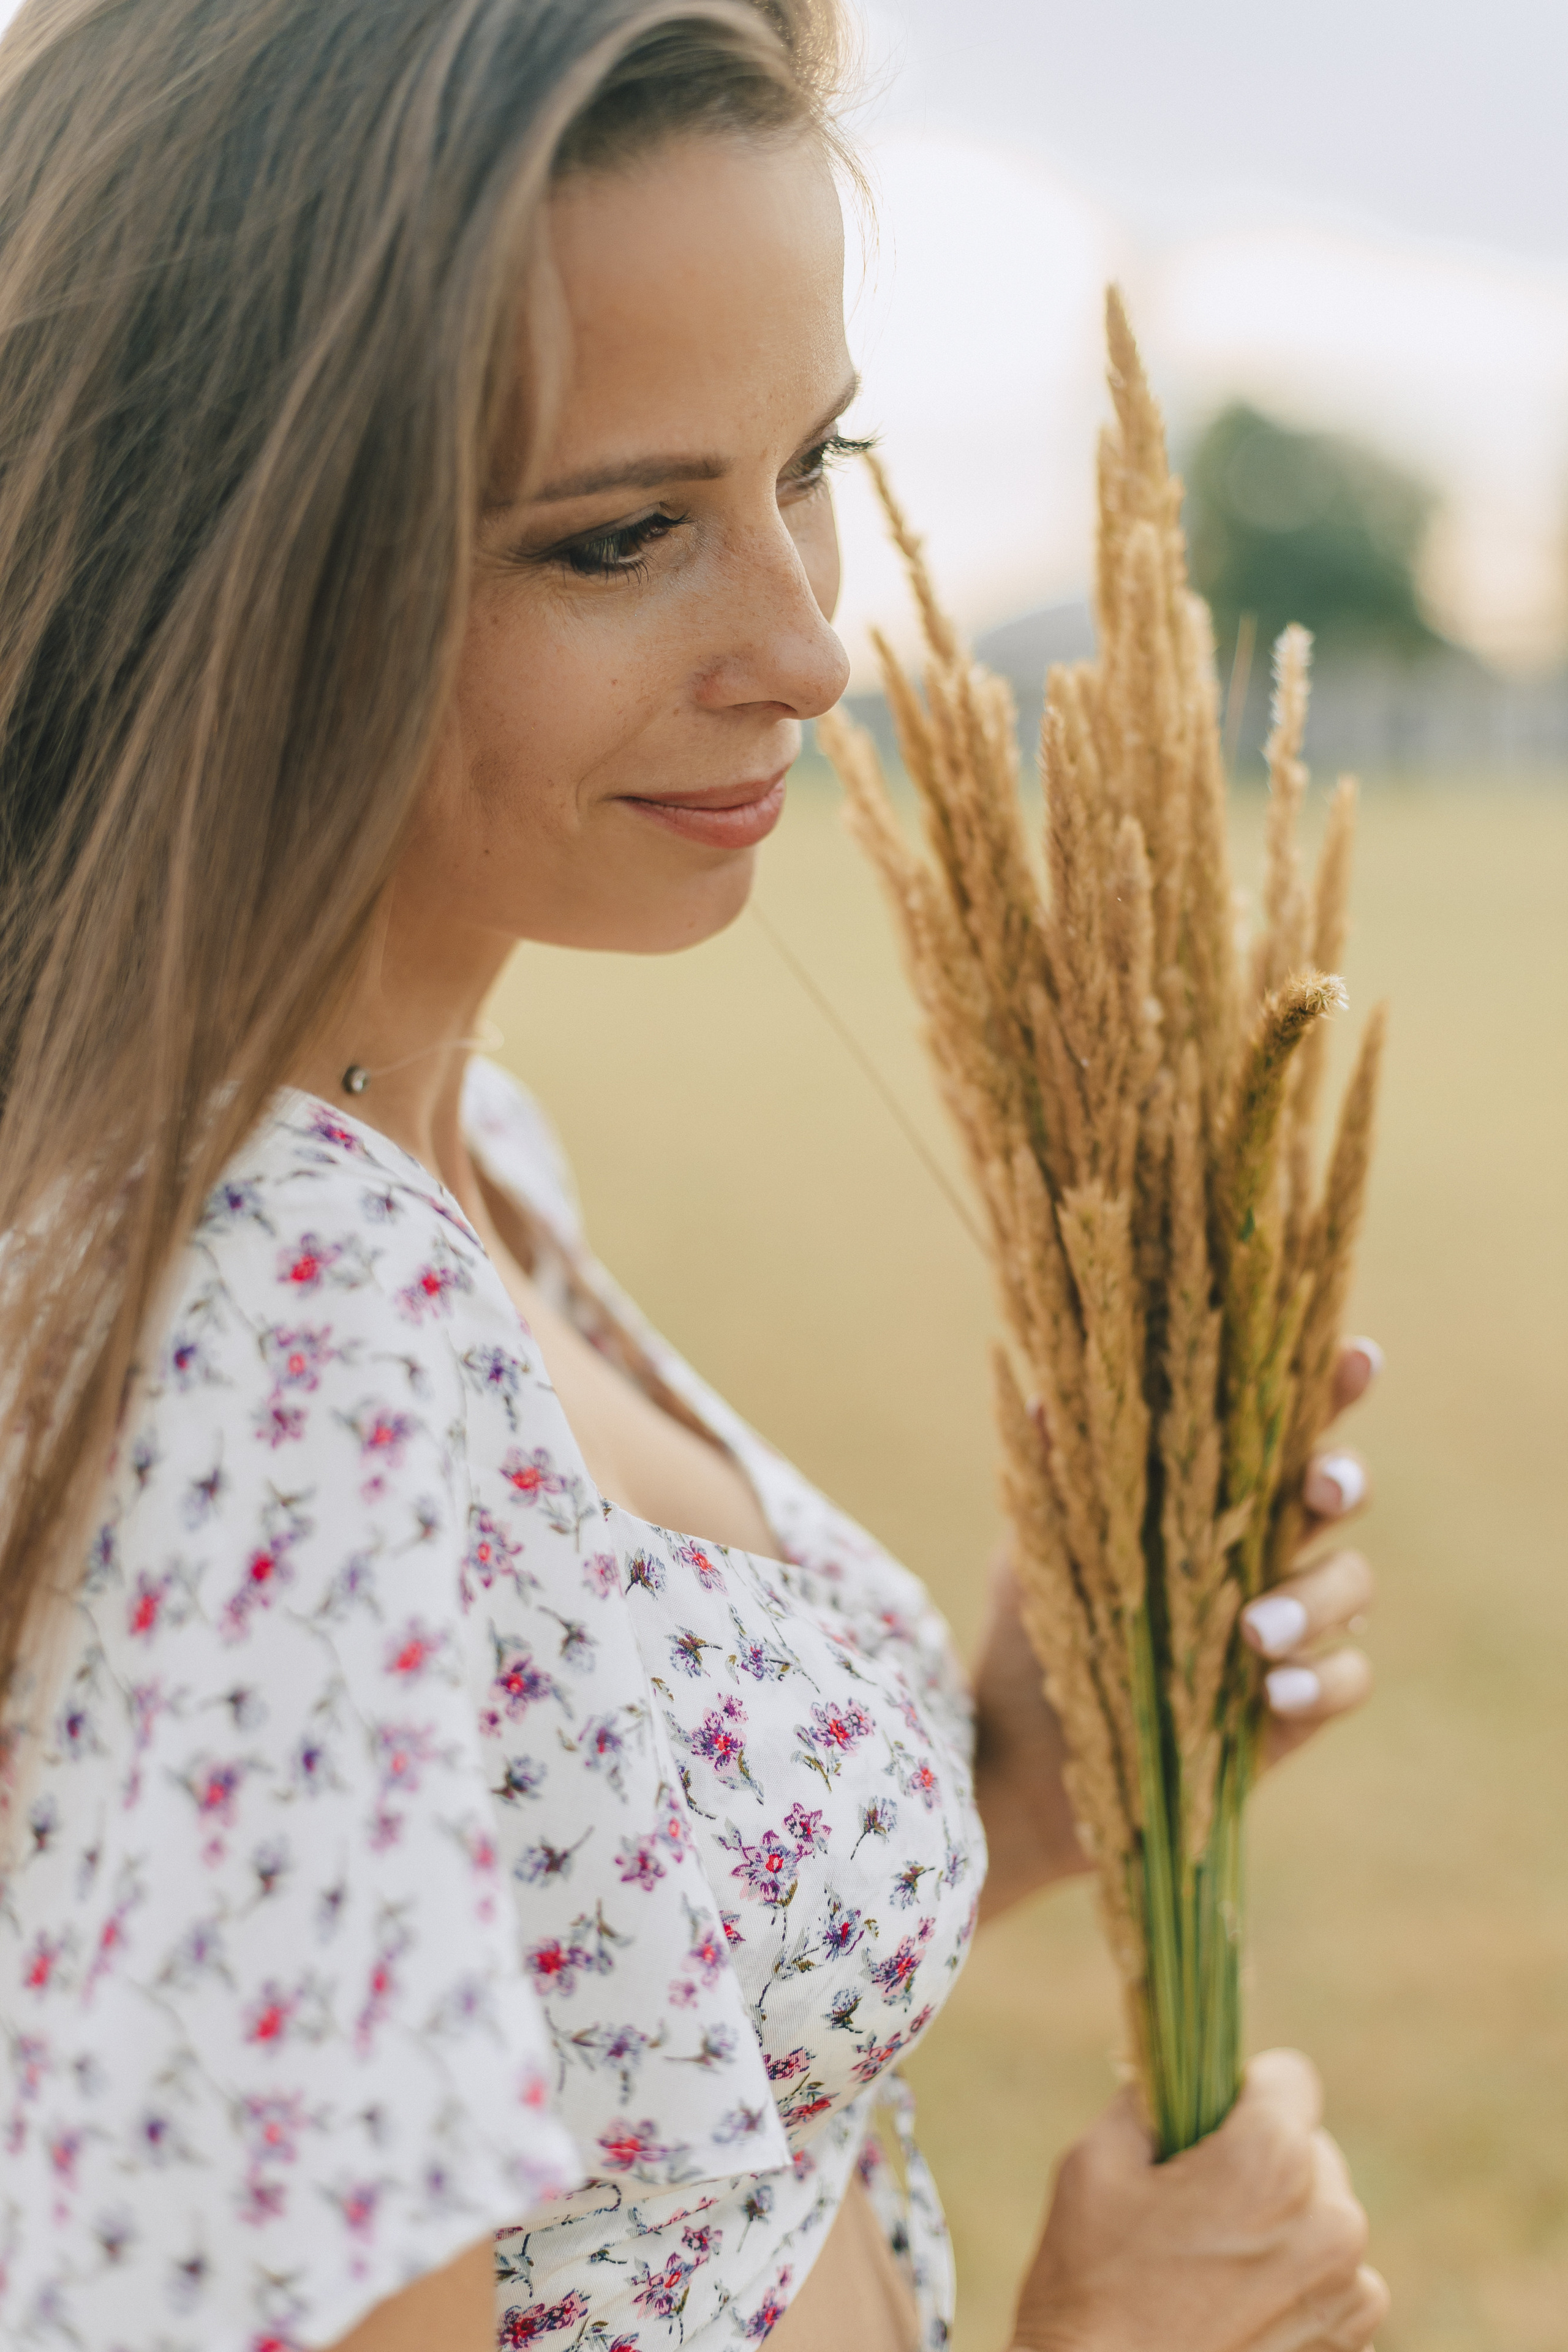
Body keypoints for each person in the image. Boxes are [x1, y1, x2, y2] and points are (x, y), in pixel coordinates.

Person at [0, 4, 1389, 2349]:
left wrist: (1026, 1781)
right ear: (235, 552)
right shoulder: (255, 1353)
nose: (807, 645)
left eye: (813, 461)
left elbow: (572, 2046)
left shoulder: (440, 1155)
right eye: (624, 536)